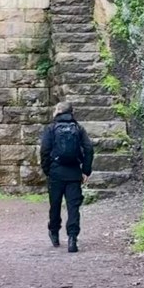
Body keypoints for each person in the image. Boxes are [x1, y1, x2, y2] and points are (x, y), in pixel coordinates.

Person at [39, 101, 95, 253]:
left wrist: (47, 170)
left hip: (56, 173)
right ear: (72, 112)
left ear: (57, 112)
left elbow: (44, 150)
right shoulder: (78, 129)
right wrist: (86, 171)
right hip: (73, 173)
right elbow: (89, 149)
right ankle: (72, 238)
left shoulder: (51, 128)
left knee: (55, 205)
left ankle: (54, 233)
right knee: (73, 207)